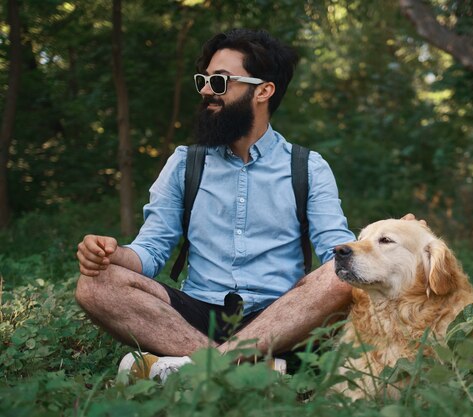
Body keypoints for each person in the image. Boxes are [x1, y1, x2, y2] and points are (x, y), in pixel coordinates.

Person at [74, 28, 356, 379]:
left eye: (220, 82)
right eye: (204, 81)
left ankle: (197, 369)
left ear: (263, 90)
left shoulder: (308, 167)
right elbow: (152, 250)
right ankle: (243, 371)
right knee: (94, 283)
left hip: (281, 319)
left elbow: (337, 253)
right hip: (196, 316)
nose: (207, 91)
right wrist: (110, 254)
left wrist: (396, 239)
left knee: (343, 275)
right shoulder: (184, 164)